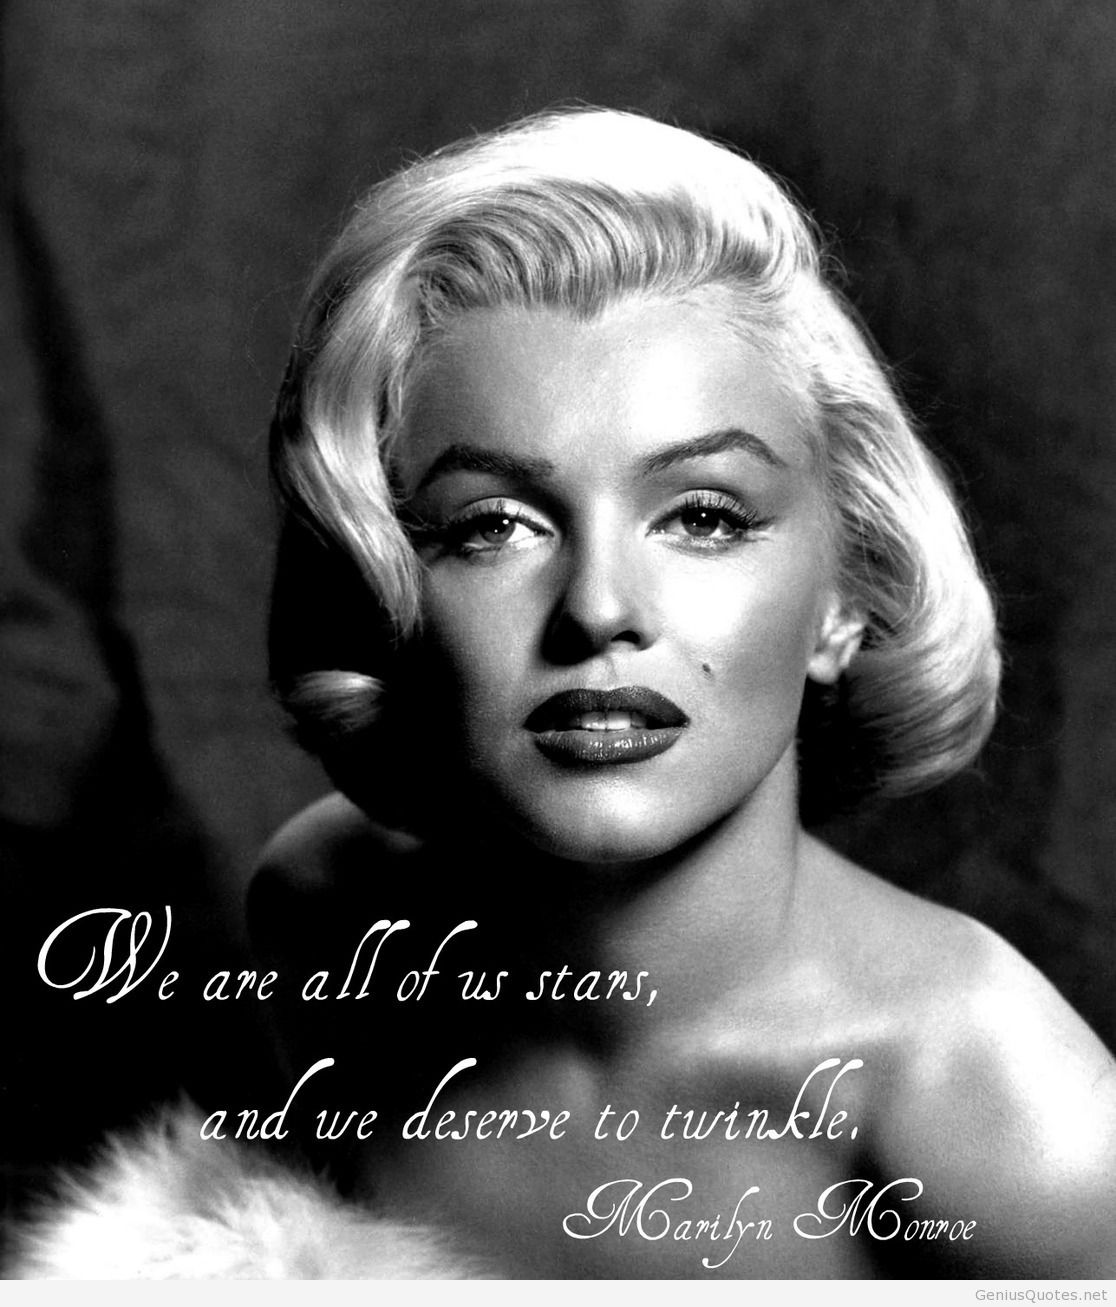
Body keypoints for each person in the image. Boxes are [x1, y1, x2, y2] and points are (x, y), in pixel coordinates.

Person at [246, 108, 1116, 1279]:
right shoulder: (327, 920)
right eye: (492, 524)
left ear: (846, 597)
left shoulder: (1009, 1124)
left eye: (703, 516)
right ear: (383, 584)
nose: (600, 607)